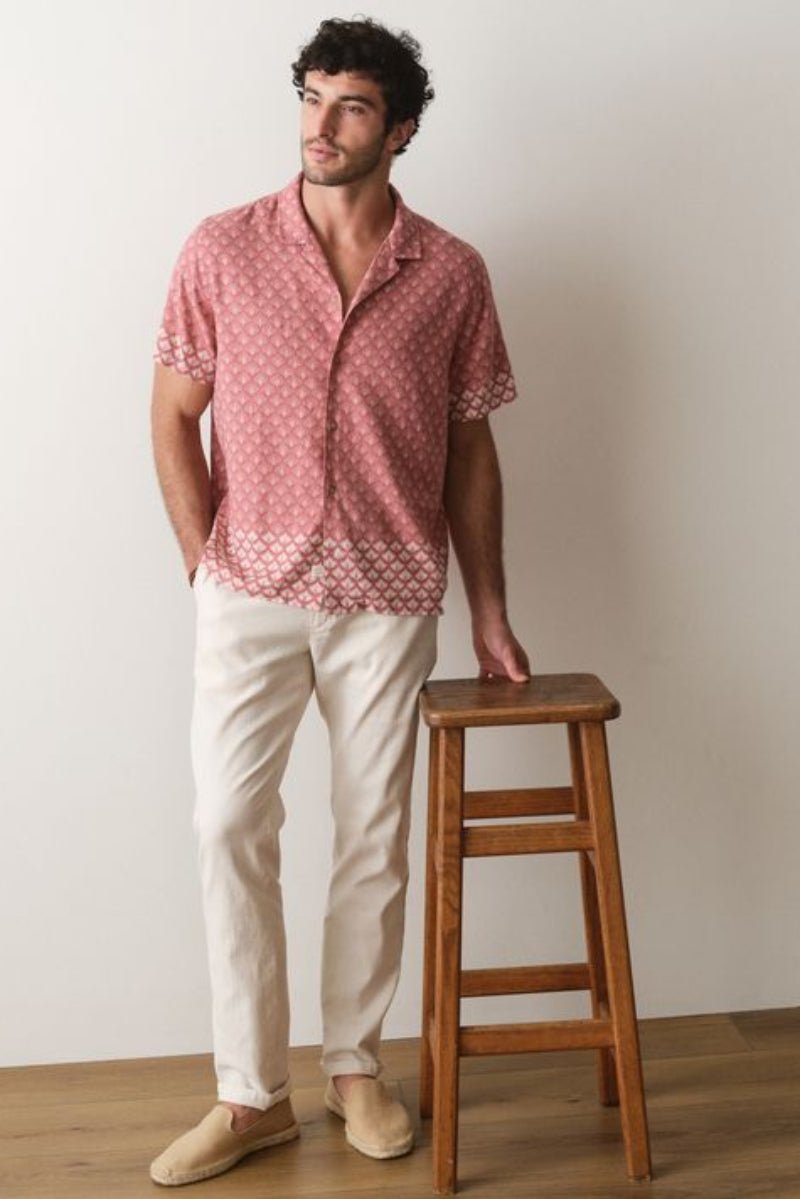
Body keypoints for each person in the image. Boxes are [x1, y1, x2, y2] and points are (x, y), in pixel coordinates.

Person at [148, 15, 530, 1188]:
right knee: (226, 825)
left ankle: (355, 1064)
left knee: (371, 836)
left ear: (398, 130)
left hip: (387, 591)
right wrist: (202, 565)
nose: (320, 123)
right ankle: (249, 1093)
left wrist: (488, 609)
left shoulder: (450, 272)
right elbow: (171, 415)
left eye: (350, 105)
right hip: (247, 585)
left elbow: (470, 450)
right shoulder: (221, 248)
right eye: (312, 97)